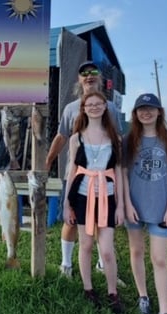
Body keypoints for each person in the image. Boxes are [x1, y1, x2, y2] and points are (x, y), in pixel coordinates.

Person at [46, 60, 124, 280]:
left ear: (100, 78)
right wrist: (49, 160)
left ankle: (102, 264)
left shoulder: (111, 109)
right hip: (76, 177)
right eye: (84, 73)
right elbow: (61, 136)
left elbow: (118, 140)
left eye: (93, 72)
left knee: (103, 222)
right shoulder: (70, 109)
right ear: (79, 80)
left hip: (104, 179)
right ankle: (66, 266)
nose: (89, 76)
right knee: (70, 221)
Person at [123, 93, 167, 314]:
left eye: (151, 108)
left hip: (160, 207)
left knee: (159, 259)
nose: (146, 113)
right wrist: (126, 204)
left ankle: (164, 313)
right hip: (134, 206)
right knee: (136, 252)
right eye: (141, 109)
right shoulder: (129, 140)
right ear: (135, 114)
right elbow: (123, 175)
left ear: (159, 112)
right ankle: (143, 296)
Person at [63, 91, 124, 314]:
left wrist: (121, 206)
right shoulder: (75, 138)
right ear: (84, 108)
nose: (95, 107)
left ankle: (112, 292)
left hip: (106, 197)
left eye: (99, 104)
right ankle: (88, 289)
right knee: (86, 245)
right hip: (81, 195)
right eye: (90, 104)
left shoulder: (115, 138)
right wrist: (66, 204)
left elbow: (118, 172)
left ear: (106, 107)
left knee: (107, 250)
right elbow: (72, 171)